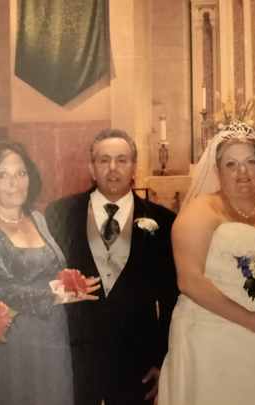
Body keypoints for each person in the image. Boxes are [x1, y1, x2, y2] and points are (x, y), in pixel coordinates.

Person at [158, 121, 255, 405]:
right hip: (212, 331)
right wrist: (251, 320)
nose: (242, 172)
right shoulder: (199, 212)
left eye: (250, 162)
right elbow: (189, 281)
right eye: (231, 164)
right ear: (218, 170)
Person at [0, 141, 99, 405]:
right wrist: (56, 294)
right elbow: (1, 290)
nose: (15, 182)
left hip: (52, 334)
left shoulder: (37, 219)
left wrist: (71, 283)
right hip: (13, 339)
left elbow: (53, 270)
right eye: (3, 175)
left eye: (21, 173)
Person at [45, 129, 179, 405]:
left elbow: (169, 298)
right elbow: (47, 276)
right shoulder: (60, 212)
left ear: (134, 167)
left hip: (137, 359)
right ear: (92, 168)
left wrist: (160, 358)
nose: (113, 168)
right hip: (77, 355)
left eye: (122, 160)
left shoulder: (163, 220)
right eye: (104, 160)